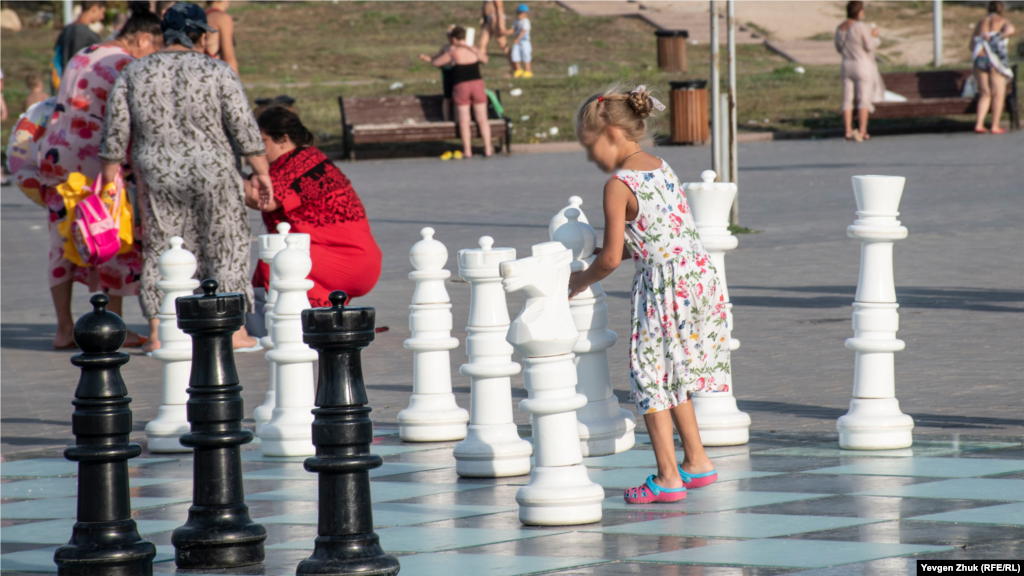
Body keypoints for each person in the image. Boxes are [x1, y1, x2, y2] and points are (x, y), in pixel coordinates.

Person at [568, 85, 727, 504]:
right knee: (674, 374)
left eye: (590, 148)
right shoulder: (661, 165)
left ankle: (668, 476)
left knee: (650, 377)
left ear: (612, 135)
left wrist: (577, 282)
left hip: (662, 286)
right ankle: (697, 461)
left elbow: (611, 258)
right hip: (697, 279)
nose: (591, 159)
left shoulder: (619, 184)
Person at [98, 2, 272, 352]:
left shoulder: (135, 72)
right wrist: (261, 171)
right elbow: (242, 124)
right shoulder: (217, 71)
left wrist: (109, 178)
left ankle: (160, 331)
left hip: (157, 171)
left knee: (163, 245)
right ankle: (234, 331)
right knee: (226, 243)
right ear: (200, 35)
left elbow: (114, 132)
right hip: (214, 171)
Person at [23, 2, 162, 349]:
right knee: (106, 233)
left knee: (63, 241)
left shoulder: (84, 53)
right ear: (143, 39)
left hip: (56, 153)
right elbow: (126, 120)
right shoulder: (123, 64)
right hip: (95, 161)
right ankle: (112, 327)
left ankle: (64, 328)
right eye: (154, 49)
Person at [245, 107, 382, 308]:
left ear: (283, 139)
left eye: (261, 143)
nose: (255, 152)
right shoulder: (301, 159)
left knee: (277, 262)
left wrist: (221, 170)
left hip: (347, 259)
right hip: (349, 257)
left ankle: (294, 326)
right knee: (269, 264)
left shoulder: (303, 164)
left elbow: (264, 200)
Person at [427, 26, 493, 159]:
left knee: (464, 121)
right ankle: (487, 148)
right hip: (478, 85)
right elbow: (485, 60)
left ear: (454, 39)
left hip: (461, 86)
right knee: (483, 119)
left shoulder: (454, 52)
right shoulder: (474, 50)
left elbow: (436, 62)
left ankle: (467, 150)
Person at [835, 0, 884, 142]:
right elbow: (869, 46)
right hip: (862, 65)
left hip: (846, 65)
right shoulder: (860, 26)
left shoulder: (840, 28)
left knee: (847, 100)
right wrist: (875, 37)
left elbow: (838, 48)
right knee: (863, 99)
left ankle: (848, 131)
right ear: (859, 11)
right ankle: (862, 131)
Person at [972, 0, 1015, 134]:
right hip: (994, 59)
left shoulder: (981, 22)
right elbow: (1011, 30)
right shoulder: (1002, 20)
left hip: (980, 58)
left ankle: (979, 124)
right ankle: (994, 125)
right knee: (998, 94)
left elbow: (971, 44)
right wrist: (998, 36)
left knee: (985, 93)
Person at [53, 0, 108, 87]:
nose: (102, 17)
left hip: (62, 83)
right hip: (80, 86)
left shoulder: (66, 30)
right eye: (102, 12)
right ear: (94, 9)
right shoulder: (90, 36)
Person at [419, 25, 456, 125]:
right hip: (447, 72)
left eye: (451, 36)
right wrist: (425, 58)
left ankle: (457, 118)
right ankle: (446, 119)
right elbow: (434, 58)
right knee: (447, 97)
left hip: (457, 72)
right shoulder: (445, 48)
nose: (450, 38)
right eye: (448, 36)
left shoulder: (460, 47)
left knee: (457, 97)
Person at [205, 0, 238, 75]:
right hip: (214, 75)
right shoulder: (222, 19)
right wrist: (236, 84)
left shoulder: (200, 16)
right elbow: (229, 59)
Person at [509, 4, 532, 79]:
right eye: (518, 13)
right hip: (517, 42)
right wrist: (504, 32)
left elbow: (523, 31)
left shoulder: (526, 21)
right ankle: (519, 70)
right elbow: (513, 29)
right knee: (515, 55)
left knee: (526, 55)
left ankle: (528, 71)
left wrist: (517, 39)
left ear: (526, 14)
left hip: (524, 41)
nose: (519, 15)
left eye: (521, 13)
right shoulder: (516, 21)